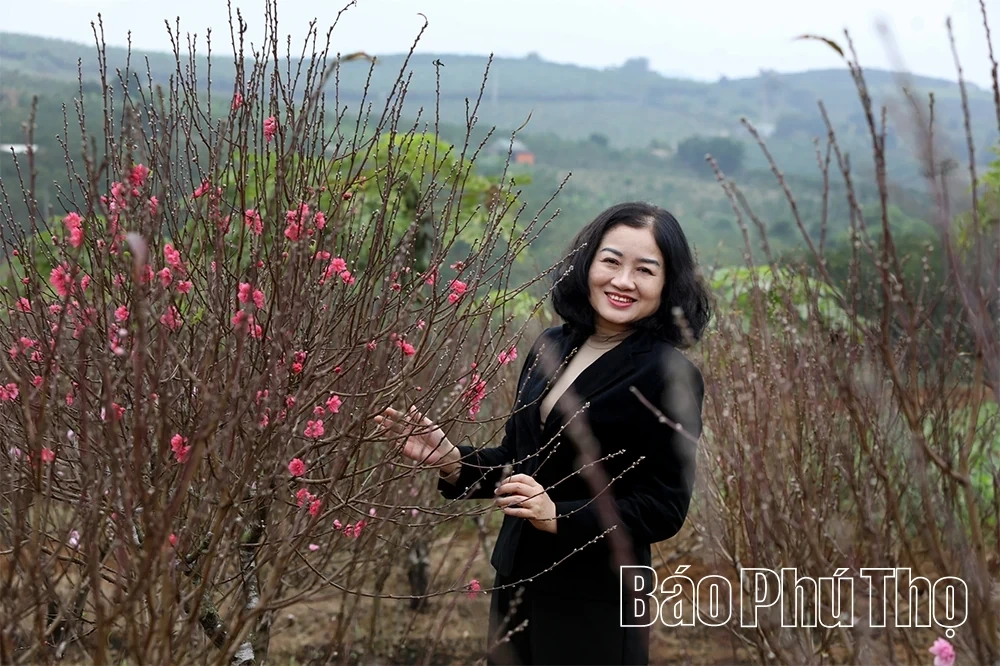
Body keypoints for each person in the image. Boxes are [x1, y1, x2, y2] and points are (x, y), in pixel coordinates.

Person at [373, 202, 711, 665]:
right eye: (611, 261)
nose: (623, 281)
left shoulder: (670, 375)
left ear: (667, 284)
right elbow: (521, 462)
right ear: (588, 262)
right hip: (517, 578)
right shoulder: (551, 345)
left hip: (596, 598)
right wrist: (454, 461)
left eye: (645, 270)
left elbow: (663, 507)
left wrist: (561, 516)